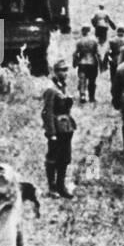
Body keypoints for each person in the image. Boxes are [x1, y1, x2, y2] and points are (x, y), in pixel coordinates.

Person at [40, 60, 77, 198]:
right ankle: (52, 187)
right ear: (55, 72)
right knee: (53, 158)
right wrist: (51, 133)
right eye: (62, 70)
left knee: (65, 158)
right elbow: (47, 112)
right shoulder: (51, 89)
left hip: (66, 128)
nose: (65, 73)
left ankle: (62, 186)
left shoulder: (62, 86)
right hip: (56, 129)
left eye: (66, 70)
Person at [72, 26, 102, 103]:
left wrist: (75, 62)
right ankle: (91, 97)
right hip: (92, 63)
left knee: (82, 80)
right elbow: (98, 53)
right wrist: (101, 64)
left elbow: (75, 53)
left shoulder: (79, 41)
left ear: (82, 31)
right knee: (92, 81)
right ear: (89, 30)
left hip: (82, 63)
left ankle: (82, 95)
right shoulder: (95, 40)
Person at [107, 26, 124, 96]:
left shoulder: (112, 40)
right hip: (123, 61)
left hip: (114, 60)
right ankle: (121, 92)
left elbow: (108, 51)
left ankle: (114, 92)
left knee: (113, 77)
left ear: (117, 31)